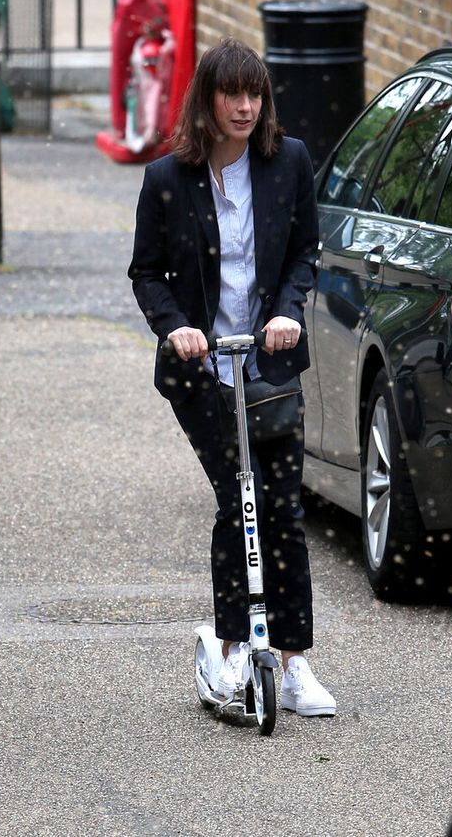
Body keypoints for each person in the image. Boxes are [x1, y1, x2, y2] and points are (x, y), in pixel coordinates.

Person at [128, 38, 336, 717]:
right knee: (239, 497)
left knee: (282, 508)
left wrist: (286, 311)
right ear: (208, 101)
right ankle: (234, 641)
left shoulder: (289, 162)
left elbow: (305, 249)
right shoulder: (167, 178)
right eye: (231, 94)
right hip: (201, 368)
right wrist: (175, 327)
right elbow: (146, 272)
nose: (244, 106)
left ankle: (293, 658)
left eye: (254, 94)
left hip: (268, 359)